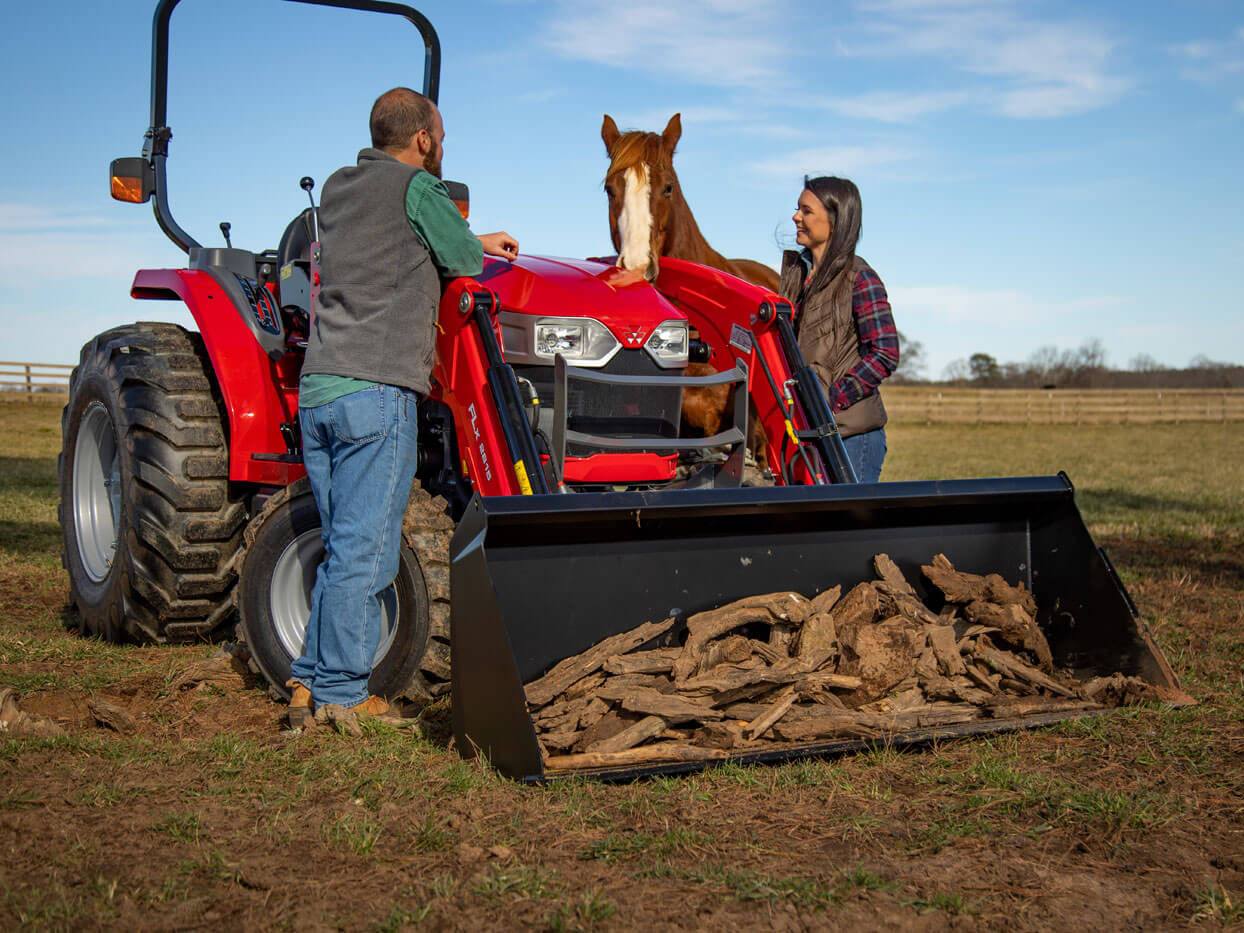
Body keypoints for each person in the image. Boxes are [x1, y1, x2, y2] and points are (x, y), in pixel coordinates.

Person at [287, 87, 519, 727]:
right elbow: (464, 257)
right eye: (439, 135)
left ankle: (308, 682)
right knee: (368, 552)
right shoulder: (419, 189)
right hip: (375, 392)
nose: (441, 145)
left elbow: (387, 239)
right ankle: (341, 695)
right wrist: (481, 238)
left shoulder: (337, 187)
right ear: (423, 139)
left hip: (320, 391)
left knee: (341, 545)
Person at [780, 176, 898, 482]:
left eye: (806, 211)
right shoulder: (797, 278)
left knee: (845, 529)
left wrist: (832, 401)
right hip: (808, 434)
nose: (796, 217)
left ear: (835, 219)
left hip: (852, 439)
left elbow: (885, 352)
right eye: (798, 209)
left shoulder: (860, 278)